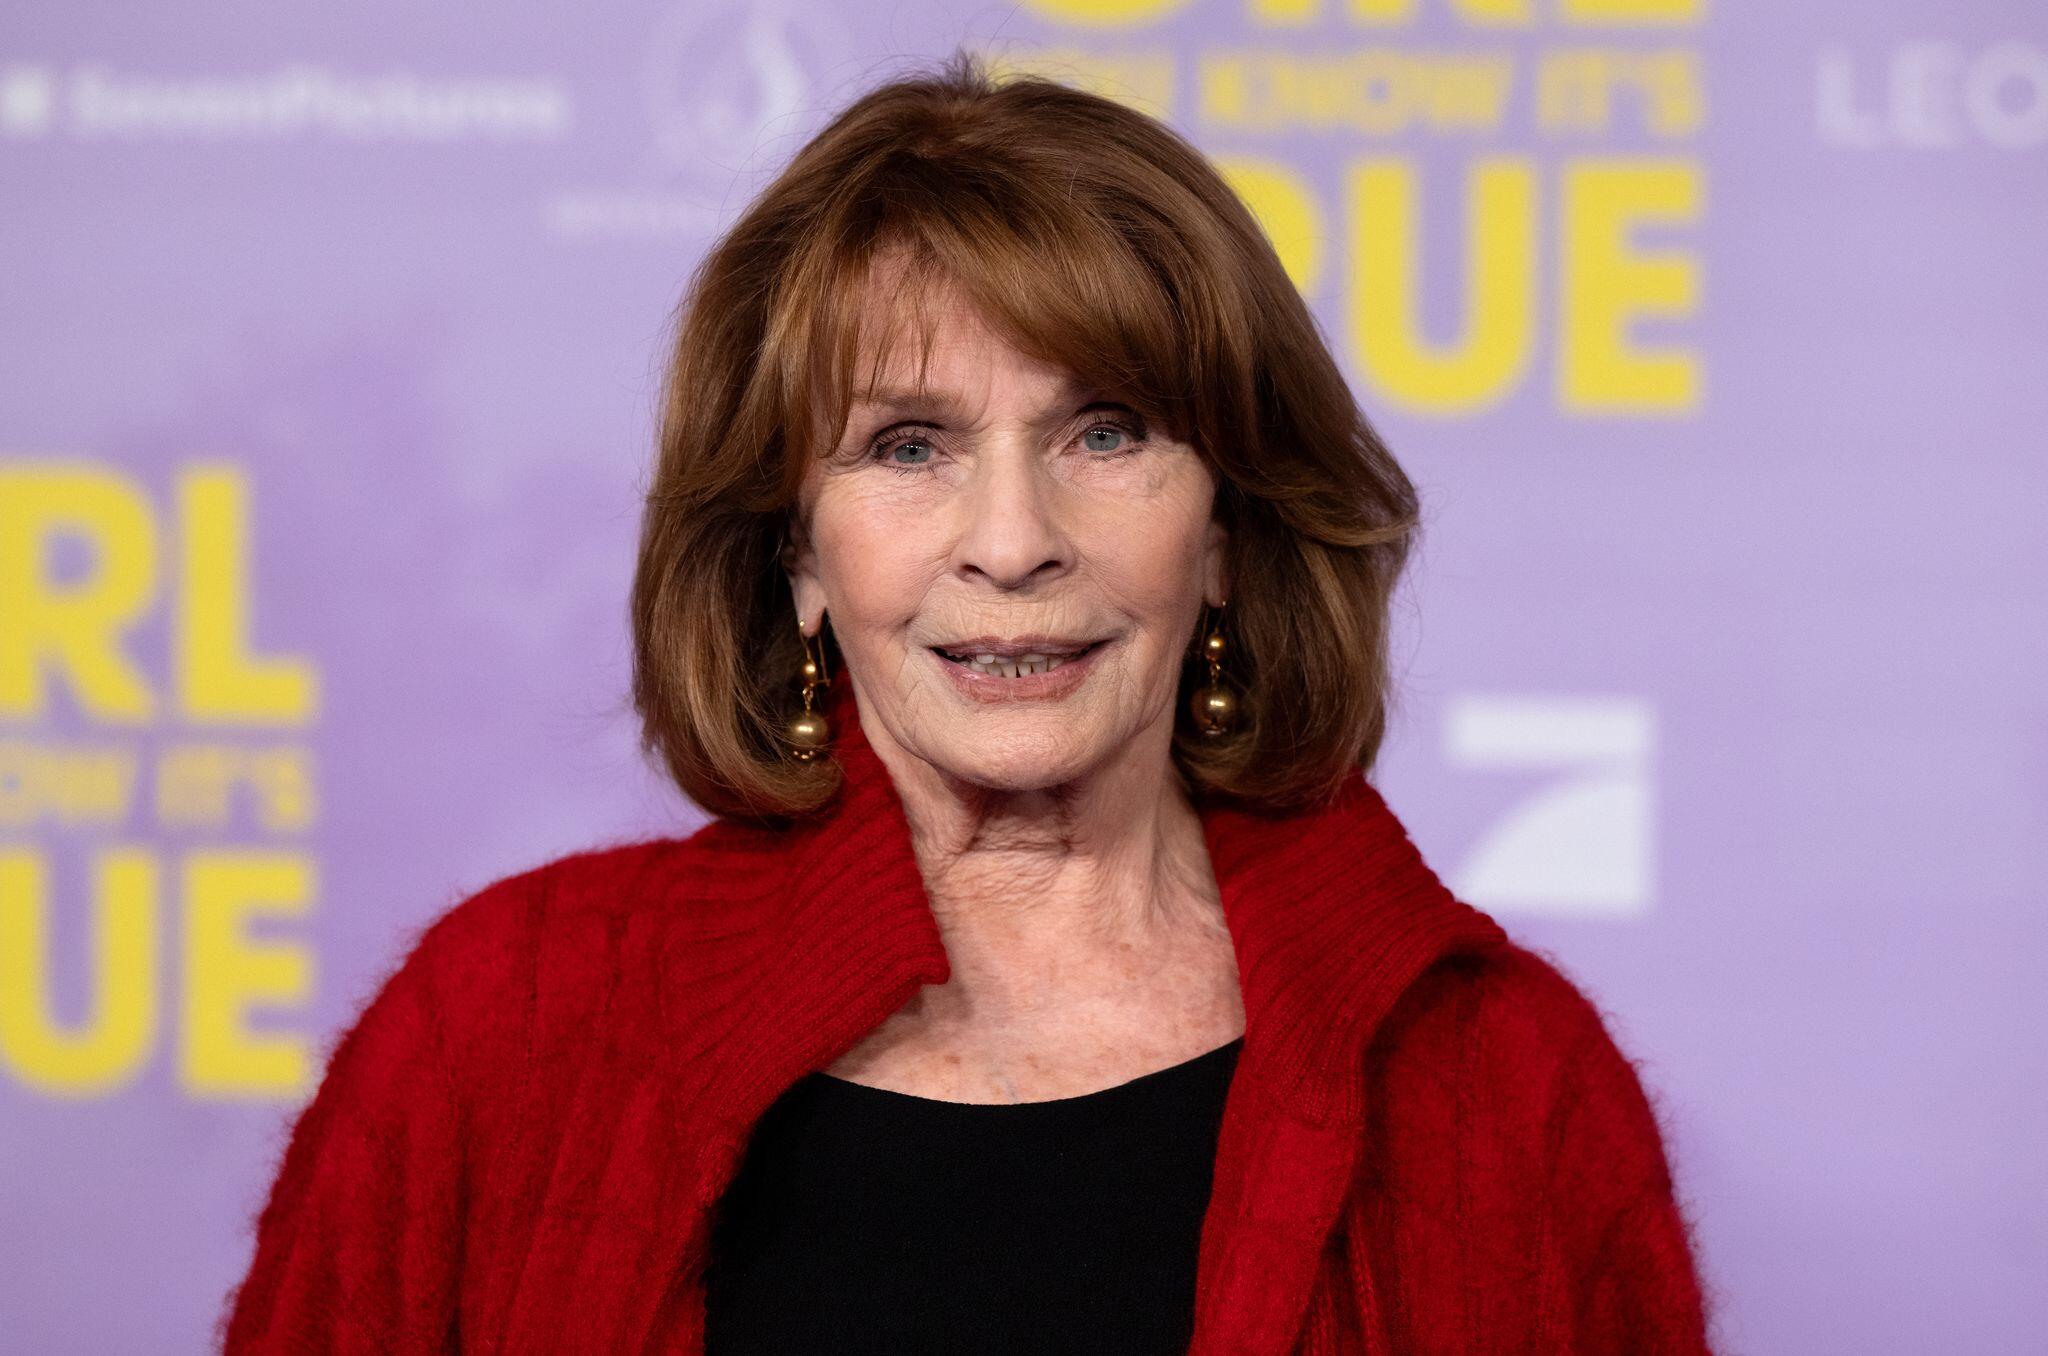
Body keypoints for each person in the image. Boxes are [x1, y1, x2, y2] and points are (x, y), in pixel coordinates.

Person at [218, 51, 1717, 1354]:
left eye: (1106, 432)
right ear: (796, 552)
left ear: (1228, 532)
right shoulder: (499, 1032)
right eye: (909, 446)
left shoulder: (1502, 1087)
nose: (1012, 541)